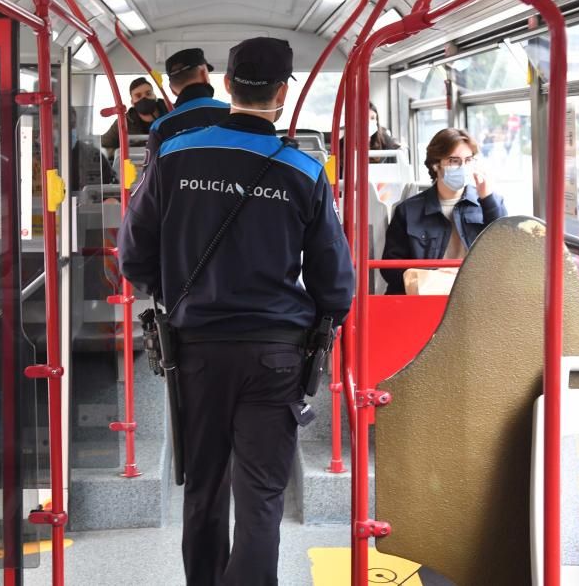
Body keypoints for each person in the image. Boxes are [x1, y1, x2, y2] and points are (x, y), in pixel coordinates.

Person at [119, 37, 354, 586]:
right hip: (277, 355)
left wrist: (174, 289)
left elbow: (133, 255)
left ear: (225, 85)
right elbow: (335, 284)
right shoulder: (304, 171)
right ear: (280, 93)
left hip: (195, 351)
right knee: (261, 497)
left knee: (203, 487)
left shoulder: (174, 155)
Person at [381, 128, 507, 295]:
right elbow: (390, 267)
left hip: (474, 296)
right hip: (425, 297)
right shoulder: (408, 211)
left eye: (468, 160)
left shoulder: (488, 204)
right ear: (435, 164)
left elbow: (505, 248)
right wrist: (429, 278)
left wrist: (487, 199)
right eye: (454, 161)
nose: (462, 167)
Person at [145, 48, 229, 159]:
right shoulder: (234, 113)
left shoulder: (161, 127)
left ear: (172, 89)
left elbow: (150, 175)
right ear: (204, 73)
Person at [100, 76, 168, 153]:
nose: (144, 98)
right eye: (138, 96)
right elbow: (103, 145)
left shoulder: (173, 113)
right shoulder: (123, 122)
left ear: (155, 96)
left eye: (148, 93)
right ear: (132, 102)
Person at [69, 107, 114, 190]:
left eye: (72, 125)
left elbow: (111, 187)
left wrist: (110, 198)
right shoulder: (39, 160)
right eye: (57, 126)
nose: (67, 130)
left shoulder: (94, 155)